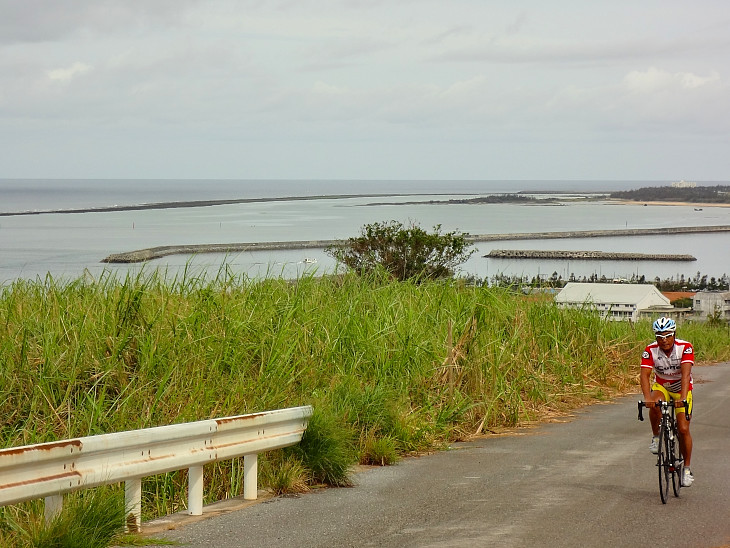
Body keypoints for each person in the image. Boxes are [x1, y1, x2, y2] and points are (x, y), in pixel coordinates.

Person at [640, 316, 694, 487]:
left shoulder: (685, 347)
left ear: (674, 334)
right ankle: (656, 437)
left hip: (681, 389)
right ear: (656, 337)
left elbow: (685, 375)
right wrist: (648, 398)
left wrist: (683, 398)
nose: (664, 340)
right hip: (662, 386)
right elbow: (644, 375)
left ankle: (686, 469)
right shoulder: (650, 350)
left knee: (683, 428)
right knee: (654, 404)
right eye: (660, 336)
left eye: (668, 335)